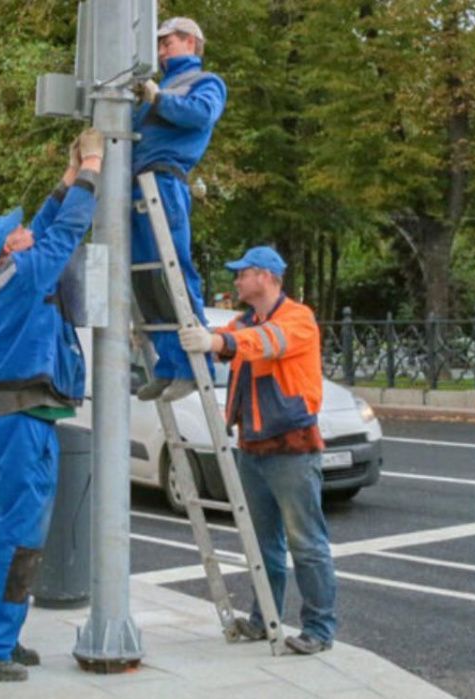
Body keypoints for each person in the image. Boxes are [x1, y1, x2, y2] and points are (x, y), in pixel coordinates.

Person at [0, 128, 105, 682]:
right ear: (9, 248)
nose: (25, 229)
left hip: (1, 422)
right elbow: (65, 230)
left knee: (9, 536)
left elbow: (45, 225)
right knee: (20, 538)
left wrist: (69, 175)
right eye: (17, 230)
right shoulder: (26, 273)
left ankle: (4, 632)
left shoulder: (9, 272)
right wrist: (92, 164)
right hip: (21, 426)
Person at [177, 246, 337, 655]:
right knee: (261, 545)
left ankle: (318, 629)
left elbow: (264, 344)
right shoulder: (243, 321)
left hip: (292, 450)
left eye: (242, 274)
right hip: (252, 448)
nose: (236, 280)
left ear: (265, 276)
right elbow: (235, 341)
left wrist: (216, 340)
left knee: (306, 544)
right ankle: (264, 619)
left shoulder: (297, 319)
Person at [130, 16, 228, 403]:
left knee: (173, 274)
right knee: (146, 280)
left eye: (167, 42)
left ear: (190, 42)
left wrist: (157, 98)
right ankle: (168, 365)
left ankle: (192, 366)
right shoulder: (163, 85)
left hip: (164, 183)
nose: (161, 49)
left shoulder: (204, 82)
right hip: (137, 186)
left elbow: (200, 115)